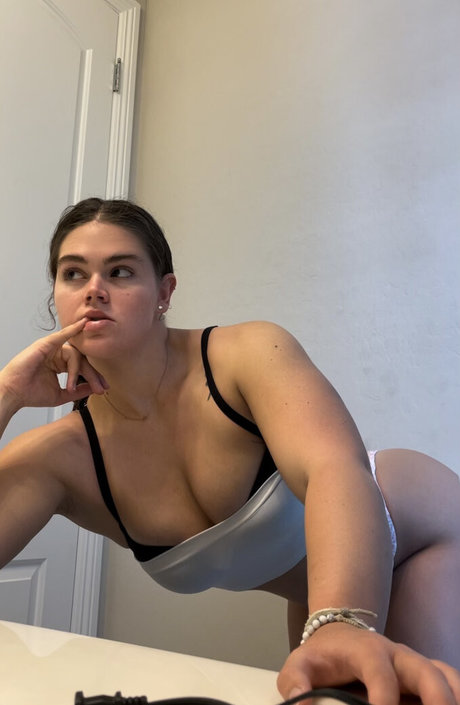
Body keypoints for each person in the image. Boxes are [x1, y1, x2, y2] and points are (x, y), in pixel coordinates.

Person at [0, 198, 459, 705]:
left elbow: (334, 469)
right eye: (73, 274)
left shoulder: (245, 356)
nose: (94, 289)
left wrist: (341, 622)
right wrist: (7, 394)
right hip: (323, 592)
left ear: (164, 292)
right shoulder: (61, 459)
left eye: (120, 271)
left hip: (416, 535)